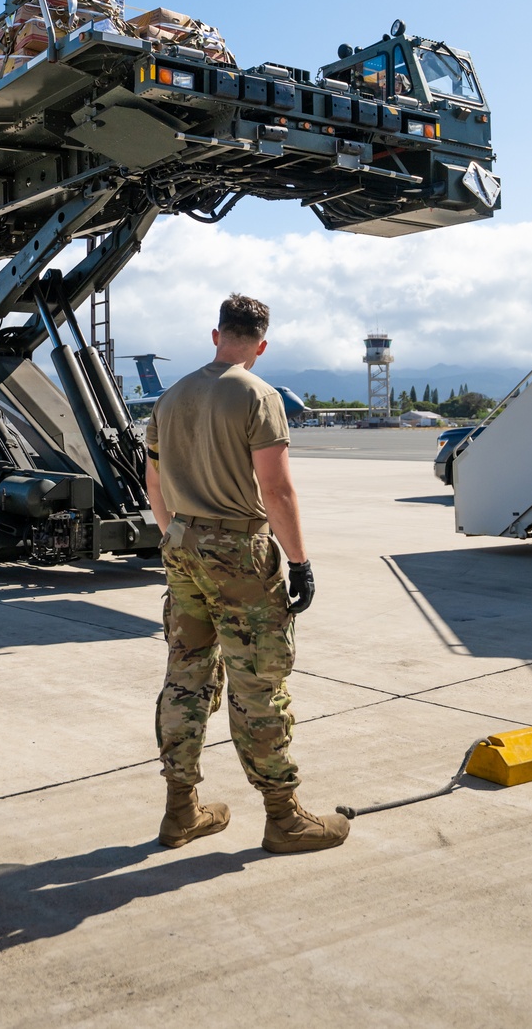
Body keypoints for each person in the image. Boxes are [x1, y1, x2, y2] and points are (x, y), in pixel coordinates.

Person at [145, 294, 349, 854]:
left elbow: (154, 486)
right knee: (258, 682)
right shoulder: (258, 395)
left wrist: (175, 538)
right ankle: (284, 818)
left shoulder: (170, 397)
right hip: (238, 554)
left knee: (186, 676)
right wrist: (301, 562)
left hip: (181, 546)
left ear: (216, 336)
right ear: (261, 344)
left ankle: (180, 810)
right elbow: (277, 489)